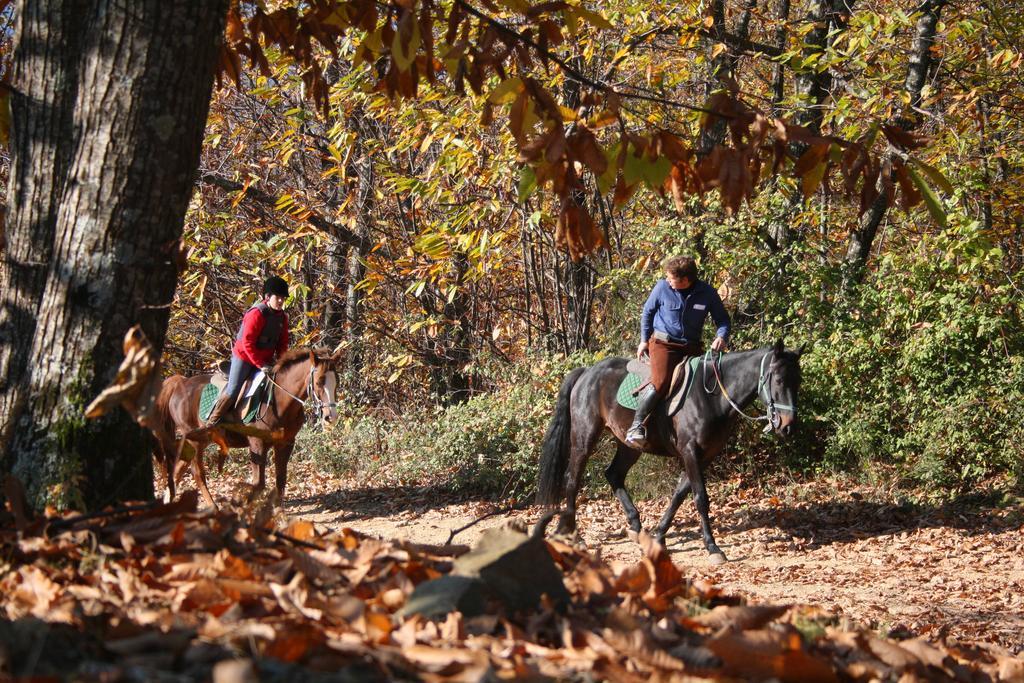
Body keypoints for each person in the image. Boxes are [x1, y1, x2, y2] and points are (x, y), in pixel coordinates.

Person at [626, 256, 730, 446]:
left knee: (706, 383)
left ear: (685, 280)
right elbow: (647, 312)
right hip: (663, 344)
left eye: (671, 278)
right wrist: (643, 341)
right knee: (661, 380)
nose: (667, 280)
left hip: (692, 347)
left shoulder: (707, 293)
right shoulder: (661, 288)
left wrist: (721, 337)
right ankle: (636, 425)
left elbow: (722, 319)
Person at [205, 275, 291, 425]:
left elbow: (282, 344)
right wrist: (260, 364)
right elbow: (248, 343)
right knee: (233, 388)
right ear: (268, 296)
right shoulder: (256, 314)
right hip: (244, 357)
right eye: (278, 297)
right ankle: (213, 420)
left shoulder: (282, 318)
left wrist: (282, 362)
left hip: (265, 359)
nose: (281, 301)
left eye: (283, 298)